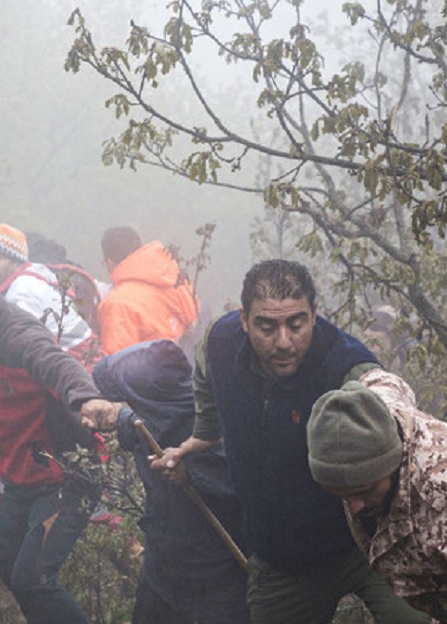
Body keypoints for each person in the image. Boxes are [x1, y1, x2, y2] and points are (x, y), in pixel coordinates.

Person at [151, 259, 428, 624]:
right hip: (281, 560)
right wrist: (200, 437)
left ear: (314, 314)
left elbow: (405, 447)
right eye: (266, 326)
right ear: (244, 319)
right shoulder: (220, 341)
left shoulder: (349, 370)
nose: (283, 342)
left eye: (296, 324)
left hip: (371, 547)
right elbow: (205, 379)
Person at [0, 243, 117, 624]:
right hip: (21, 477)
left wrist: (86, 398)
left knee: (33, 578)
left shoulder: (15, 332)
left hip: (65, 475)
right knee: (12, 573)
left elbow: (54, 363)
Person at [307, 370, 447, 623]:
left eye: (364, 491)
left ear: (392, 463)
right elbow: (383, 380)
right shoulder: (376, 411)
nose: (354, 507)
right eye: (340, 493)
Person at [92, 340, 250, 624]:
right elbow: (133, 422)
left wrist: (191, 474)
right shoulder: (147, 422)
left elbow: (238, 484)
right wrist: (114, 415)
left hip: (218, 581)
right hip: (163, 573)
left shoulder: (212, 429)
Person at [0, 223, 98, 364]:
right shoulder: (32, 275)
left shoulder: (24, 291)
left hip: (80, 364)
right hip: (74, 358)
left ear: (16, 263)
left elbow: (15, 347)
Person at [97, 226, 200, 354]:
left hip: (160, 371)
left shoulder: (116, 304)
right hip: (190, 363)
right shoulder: (173, 275)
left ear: (109, 262)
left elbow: (118, 365)